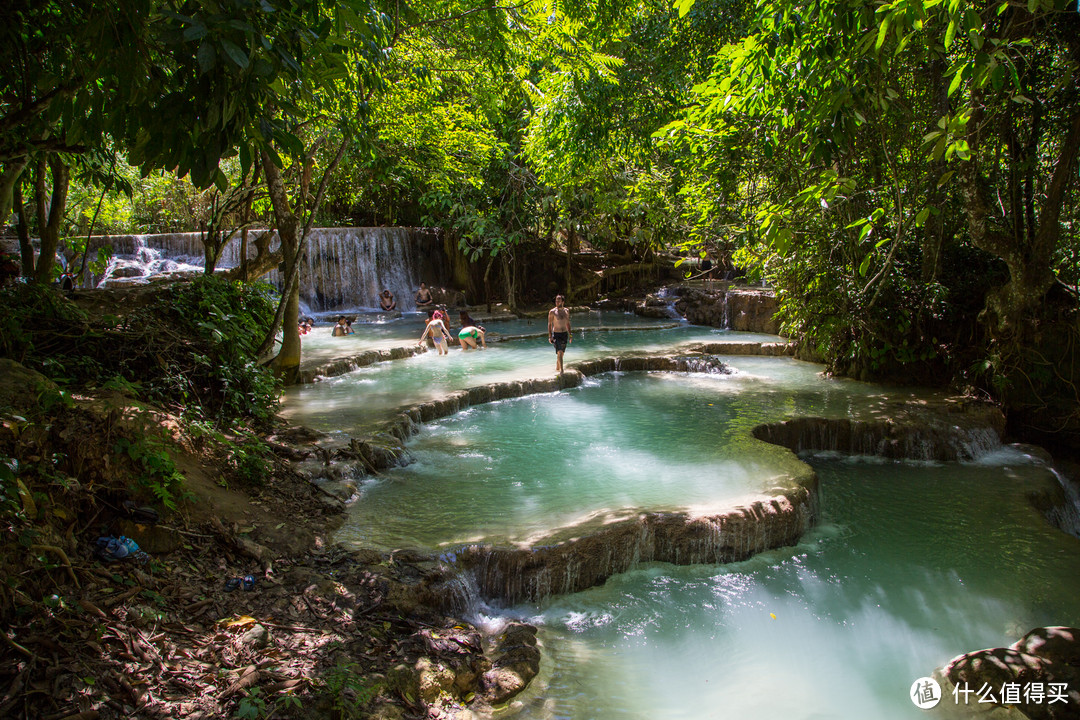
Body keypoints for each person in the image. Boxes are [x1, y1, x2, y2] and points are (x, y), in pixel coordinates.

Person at [548, 294, 572, 373]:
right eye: (556, 301)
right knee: (560, 352)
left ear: (563, 302)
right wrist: (550, 336)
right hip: (556, 334)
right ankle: (562, 371)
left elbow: (568, 323)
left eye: (559, 301)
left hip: (564, 334)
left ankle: (557, 369)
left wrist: (570, 335)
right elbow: (550, 324)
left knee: (561, 354)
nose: (557, 302)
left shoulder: (566, 311)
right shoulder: (552, 312)